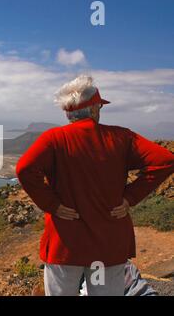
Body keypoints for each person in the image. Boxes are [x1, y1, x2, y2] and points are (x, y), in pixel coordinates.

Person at [15, 75, 174, 296]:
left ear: (68, 112)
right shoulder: (120, 137)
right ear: (93, 109)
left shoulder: (54, 139)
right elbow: (165, 160)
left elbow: (24, 169)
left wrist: (52, 205)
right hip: (107, 247)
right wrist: (130, 198)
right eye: (99, 106)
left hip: (66, 245)